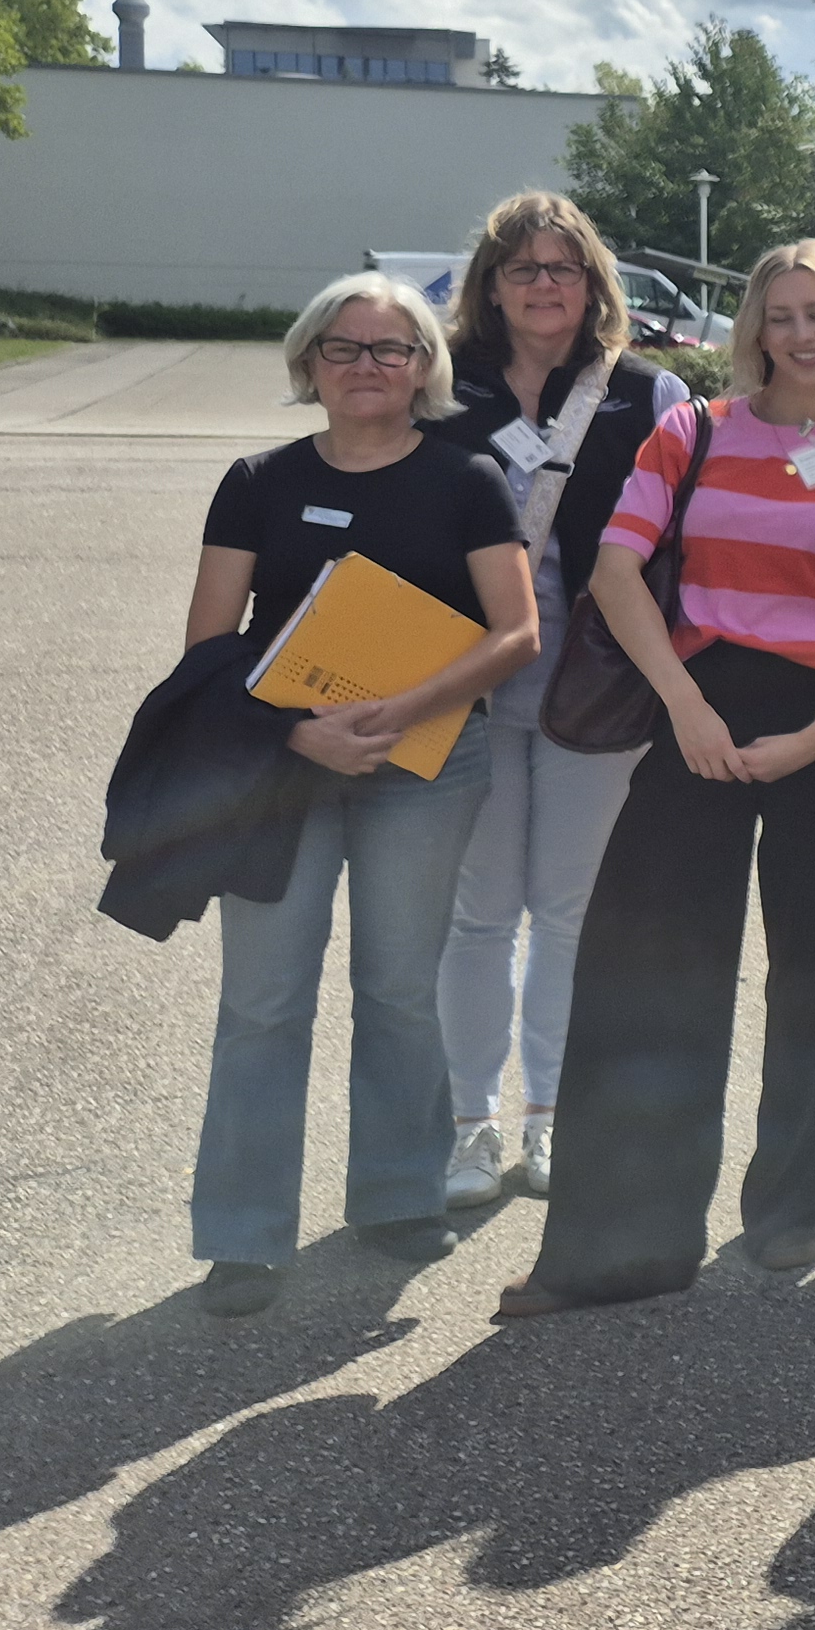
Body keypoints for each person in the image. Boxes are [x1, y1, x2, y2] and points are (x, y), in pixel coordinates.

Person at [496, 240, 815, 1316]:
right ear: (754, 331)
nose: (799, 333)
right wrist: (688, 709)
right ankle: (614, 1247)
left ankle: (793, 1210)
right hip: (695, 709)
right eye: (778, 314)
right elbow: (615, 571)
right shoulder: (690, 432)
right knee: (647, 975)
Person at [180, 274, 537, 1315]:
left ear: (425, 367)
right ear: (309, 363)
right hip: (277, 764)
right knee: (262, 1002)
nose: (369, 366)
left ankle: (396, 1196)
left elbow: (517, 633)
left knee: (396, 988)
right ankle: (244, 1235)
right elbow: (209, 646)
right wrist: (301, 731)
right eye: (346, 348)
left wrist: (396, 712)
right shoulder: (256, 480)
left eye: (392, 349)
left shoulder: (468, 478)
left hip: (424, 765)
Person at [424, 192, 690, 1210]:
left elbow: (680, 549)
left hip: (601, 693)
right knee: (480, 916)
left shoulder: (647, 395)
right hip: (471, 691)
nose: (545, 285)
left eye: (564, 268)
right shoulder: (443, 395)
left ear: (595, 286)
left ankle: (551, 1121)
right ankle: (469, 1129)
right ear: (490, 286)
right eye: (524, 268)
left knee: (573, 913)